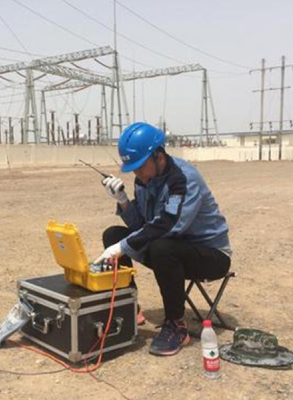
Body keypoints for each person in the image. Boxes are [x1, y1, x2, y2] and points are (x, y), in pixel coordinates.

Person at [95, 122, 231, 356]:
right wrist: (123, 201)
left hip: (210, 255)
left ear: (158, 156)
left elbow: (169, 226)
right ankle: (128, 308)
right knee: (113, 235)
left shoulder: (184, 179)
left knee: (160, 247)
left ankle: (176, 325)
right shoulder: (145, 179)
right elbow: (142, 226)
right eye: (133, 169)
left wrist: (122, 248)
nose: (137, 174)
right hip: (171, 247)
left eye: (140, 167)